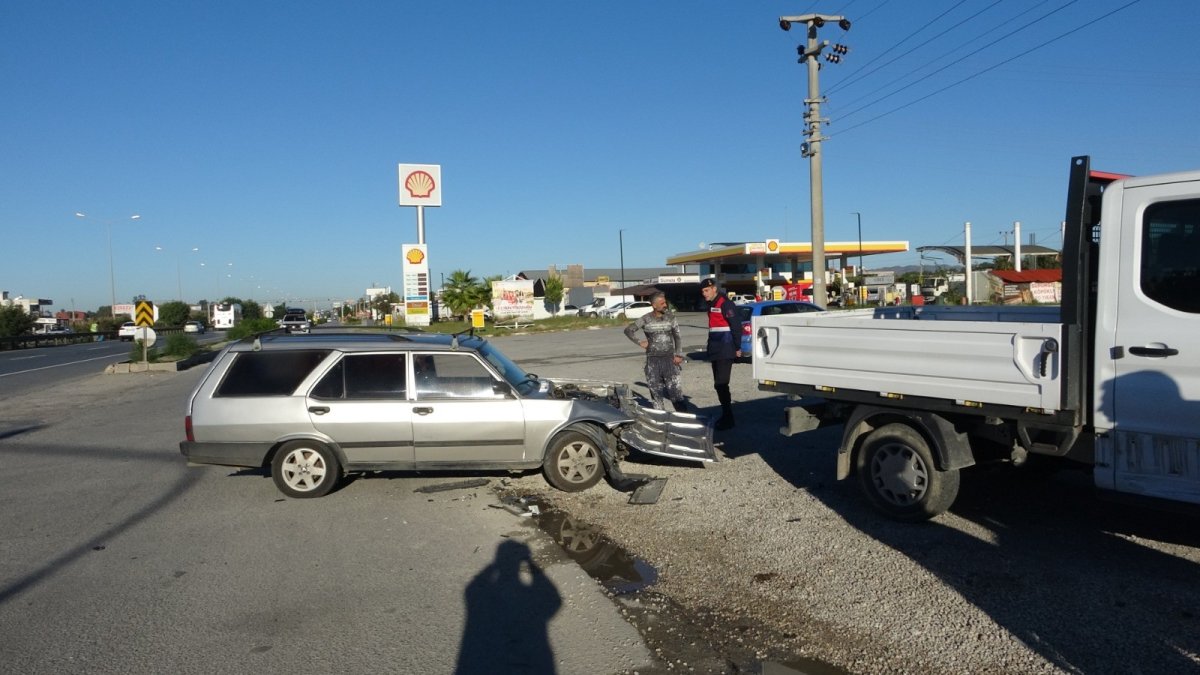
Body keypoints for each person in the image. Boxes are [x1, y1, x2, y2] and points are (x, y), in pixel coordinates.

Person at [623, 292, 688, 412]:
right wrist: (639, 342)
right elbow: (628, 330)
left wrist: (679, 355)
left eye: (665, 302)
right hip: (652, 362)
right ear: (654, 305)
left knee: (676, 395)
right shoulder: (645, 319)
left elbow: (677, 336)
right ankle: (661, 424)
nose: (665, 305)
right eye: (662, 303)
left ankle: (686, 421)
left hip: (670, 360)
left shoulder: (671, 318)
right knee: (656, 396)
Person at [700, 278, 743, 429]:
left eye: (706, 291)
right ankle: (726, 415)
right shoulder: (711, 304)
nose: (704, 294)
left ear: (714, 289)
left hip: (725, 348)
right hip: (716, 349)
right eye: (702, 291)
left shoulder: (725, 303)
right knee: (718, 385)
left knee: (721, 383)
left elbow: (736, 327)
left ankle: (728, 418)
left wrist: (738, 347)